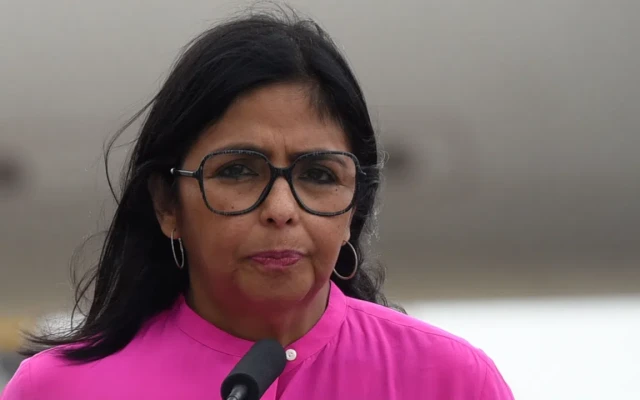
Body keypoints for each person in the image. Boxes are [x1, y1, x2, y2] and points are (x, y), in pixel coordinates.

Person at [1, 10, 514, 400]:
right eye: (238, 171)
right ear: (167, 204)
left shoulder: (451, 380)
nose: (281, 209)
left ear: (355, 207)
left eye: (319, 175)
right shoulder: (59, 390)